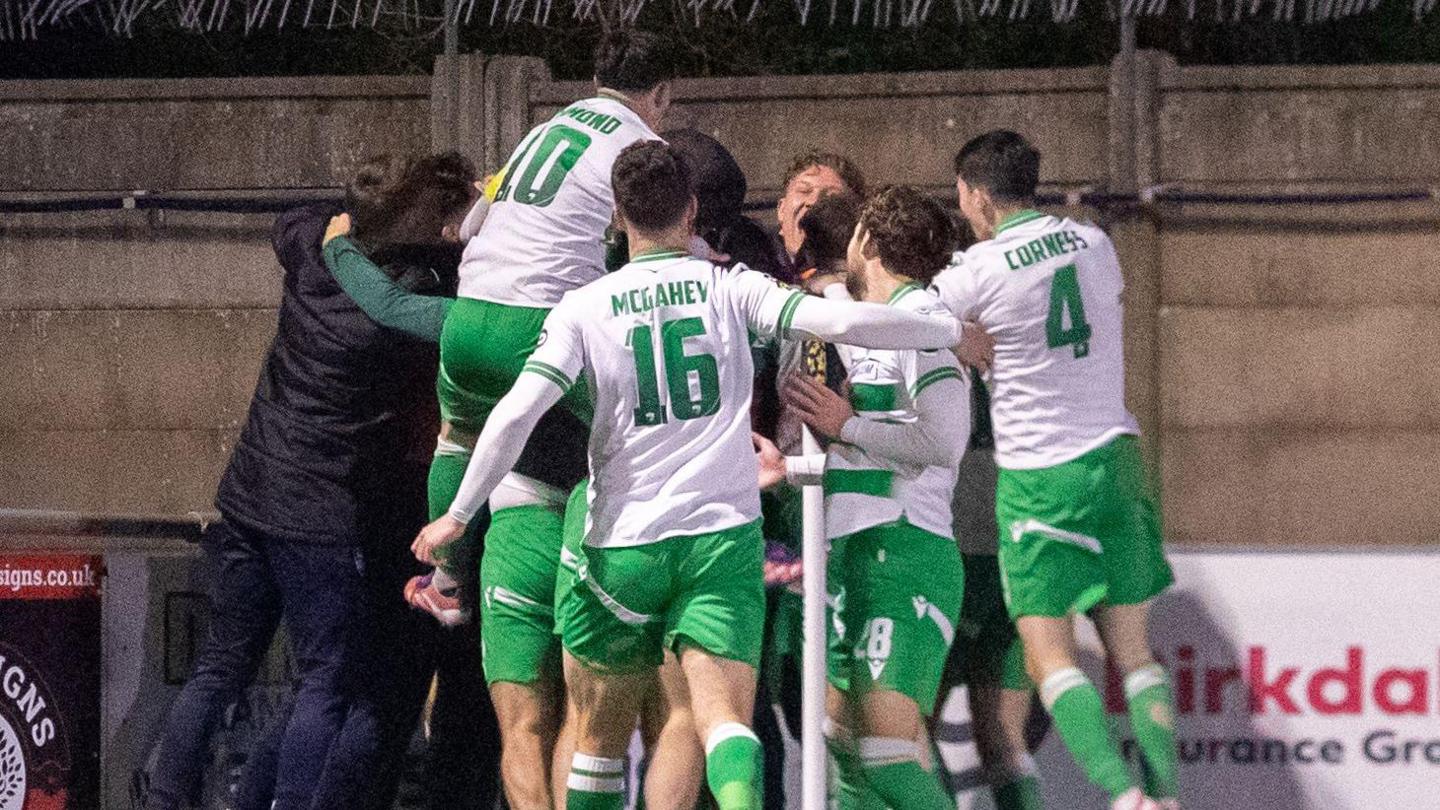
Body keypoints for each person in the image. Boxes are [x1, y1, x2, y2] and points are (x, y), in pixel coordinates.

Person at [410, 140, 985, 810]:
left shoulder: (584, 307)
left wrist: (459, 510)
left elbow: (514, 413)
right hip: (718, 540)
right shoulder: (731, 286)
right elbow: (838, 317)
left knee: (596, 735)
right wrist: (940, 330)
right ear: (691, 209)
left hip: (623, 543)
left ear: (617, 216)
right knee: (722, 722)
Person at [146, 152, 485, 810]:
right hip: (320, 515)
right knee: (327, 683)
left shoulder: (310, 251)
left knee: (218, 669)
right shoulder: (412, 302)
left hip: (250, 494)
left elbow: (297, 222)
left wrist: (353, 222)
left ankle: (164, 800)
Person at [408, 29, 679, 810]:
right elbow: (647, 244)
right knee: (626, 440)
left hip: (471, 313)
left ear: (593, 76)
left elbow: (467, 228)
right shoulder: (636, 143)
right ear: (659, 95)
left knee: (457, 435)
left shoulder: (538, 132)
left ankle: (446, 579)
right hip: (540, 326)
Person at [931, 130, 1179, 810]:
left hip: (1041, 477)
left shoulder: (976, 271)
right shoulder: (1095, 243)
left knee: (1050, 658)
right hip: (1117, 460)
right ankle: (1169, 797)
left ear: (977, 195)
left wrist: (956, 333)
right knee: (1135, 653)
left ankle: (1125, 798)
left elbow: (906, 319)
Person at [775, 185, 970, 810]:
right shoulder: (877, 322)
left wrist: (847, 426)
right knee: (843, 751)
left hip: (902, 551)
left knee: (884, 758)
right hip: (852, 552)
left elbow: (948, 439)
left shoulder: (922, 324)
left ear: (866, 243)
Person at [937, 375, 1047, 810]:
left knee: (905, 735)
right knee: (1004, 738)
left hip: (957, 545)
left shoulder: (932, 322)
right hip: (1018, 548)